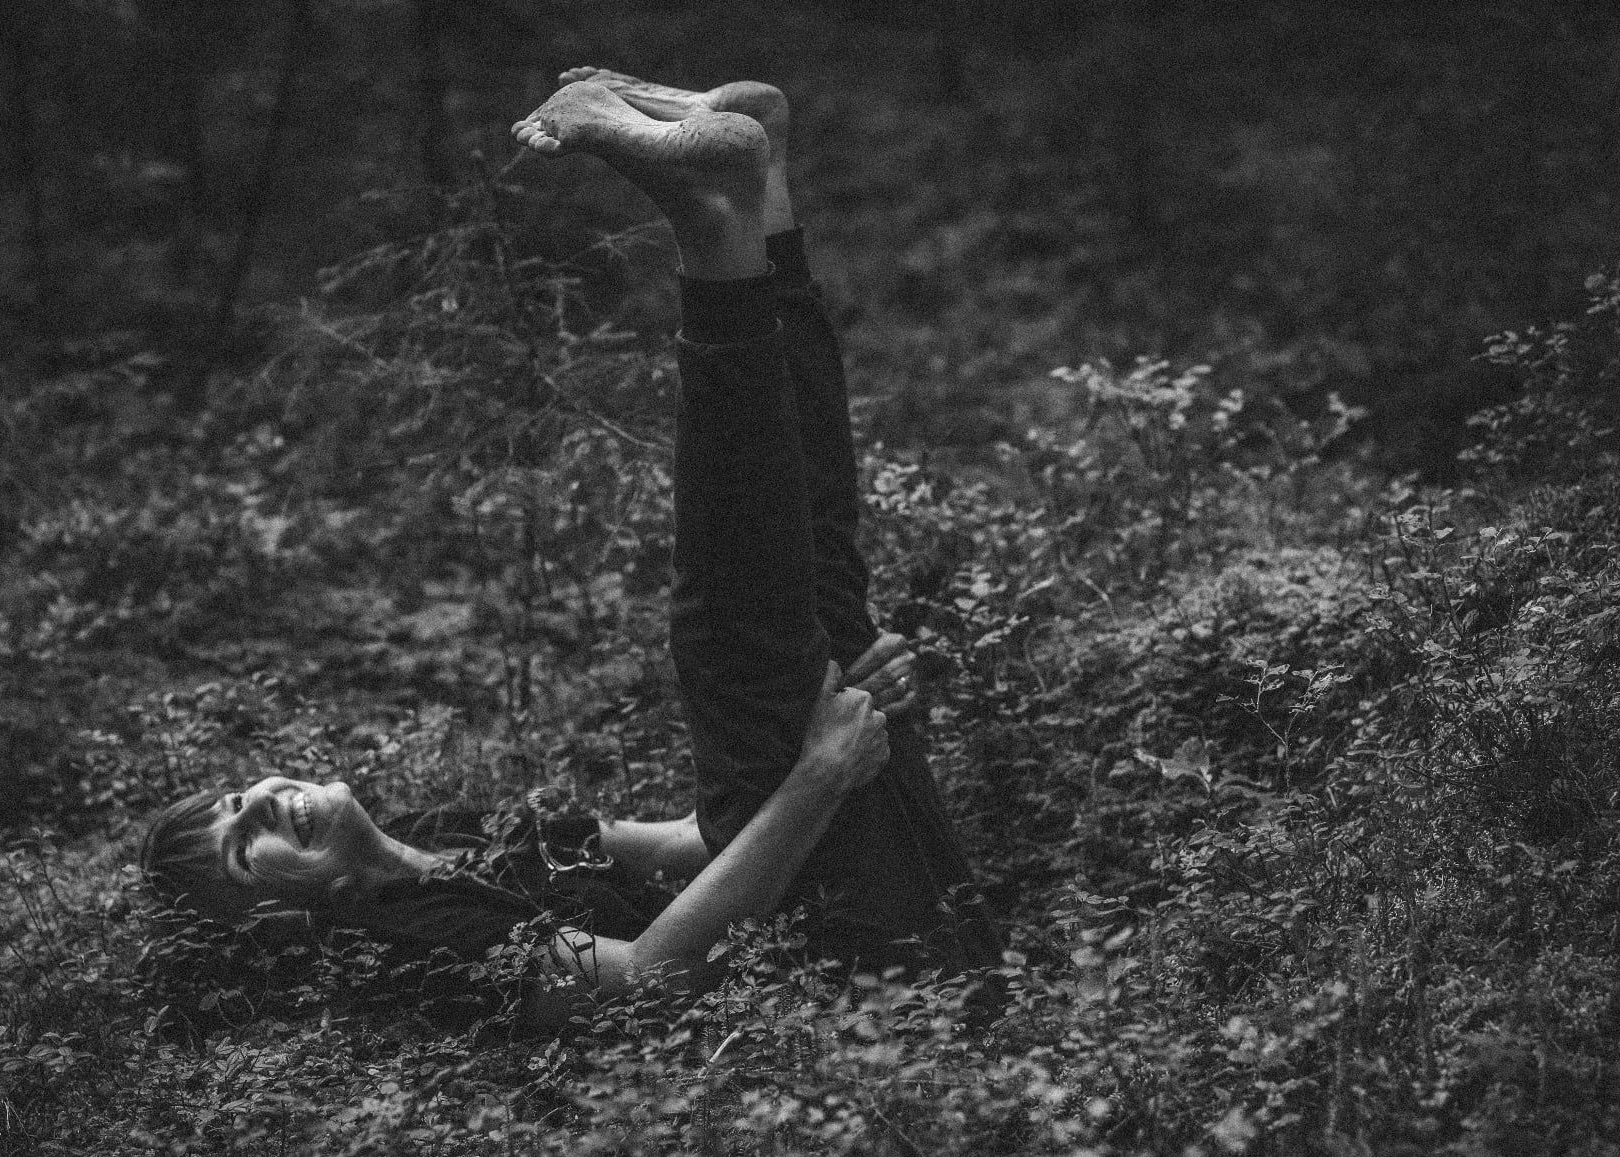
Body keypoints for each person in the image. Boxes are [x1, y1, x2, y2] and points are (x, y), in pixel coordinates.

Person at [140, 72, 1001, 1027]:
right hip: (873, 997)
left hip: (865, 913)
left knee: (824, 607)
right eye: (241, 847)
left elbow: (691, 842)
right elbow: (647, 983)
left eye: (236, 795)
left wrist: (851, 722)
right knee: (735, 650)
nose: (261, 801)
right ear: (270, 925)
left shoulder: (443, 833)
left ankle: (762, 204)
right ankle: (717, 232)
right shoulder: (412, 957)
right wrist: (816, 777)